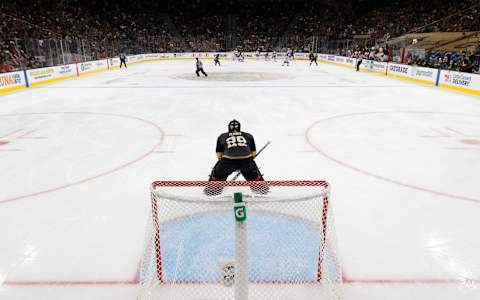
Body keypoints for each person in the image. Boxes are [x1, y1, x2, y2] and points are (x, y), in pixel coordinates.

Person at [204, 120, 268, 196]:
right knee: (253, 175)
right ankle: (261, 191)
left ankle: (212, 191)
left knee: (218, 174)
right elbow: (253, 154)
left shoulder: (222, 136)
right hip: (246, 161)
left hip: (227, 161)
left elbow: (219, 155)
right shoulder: (248, 135)